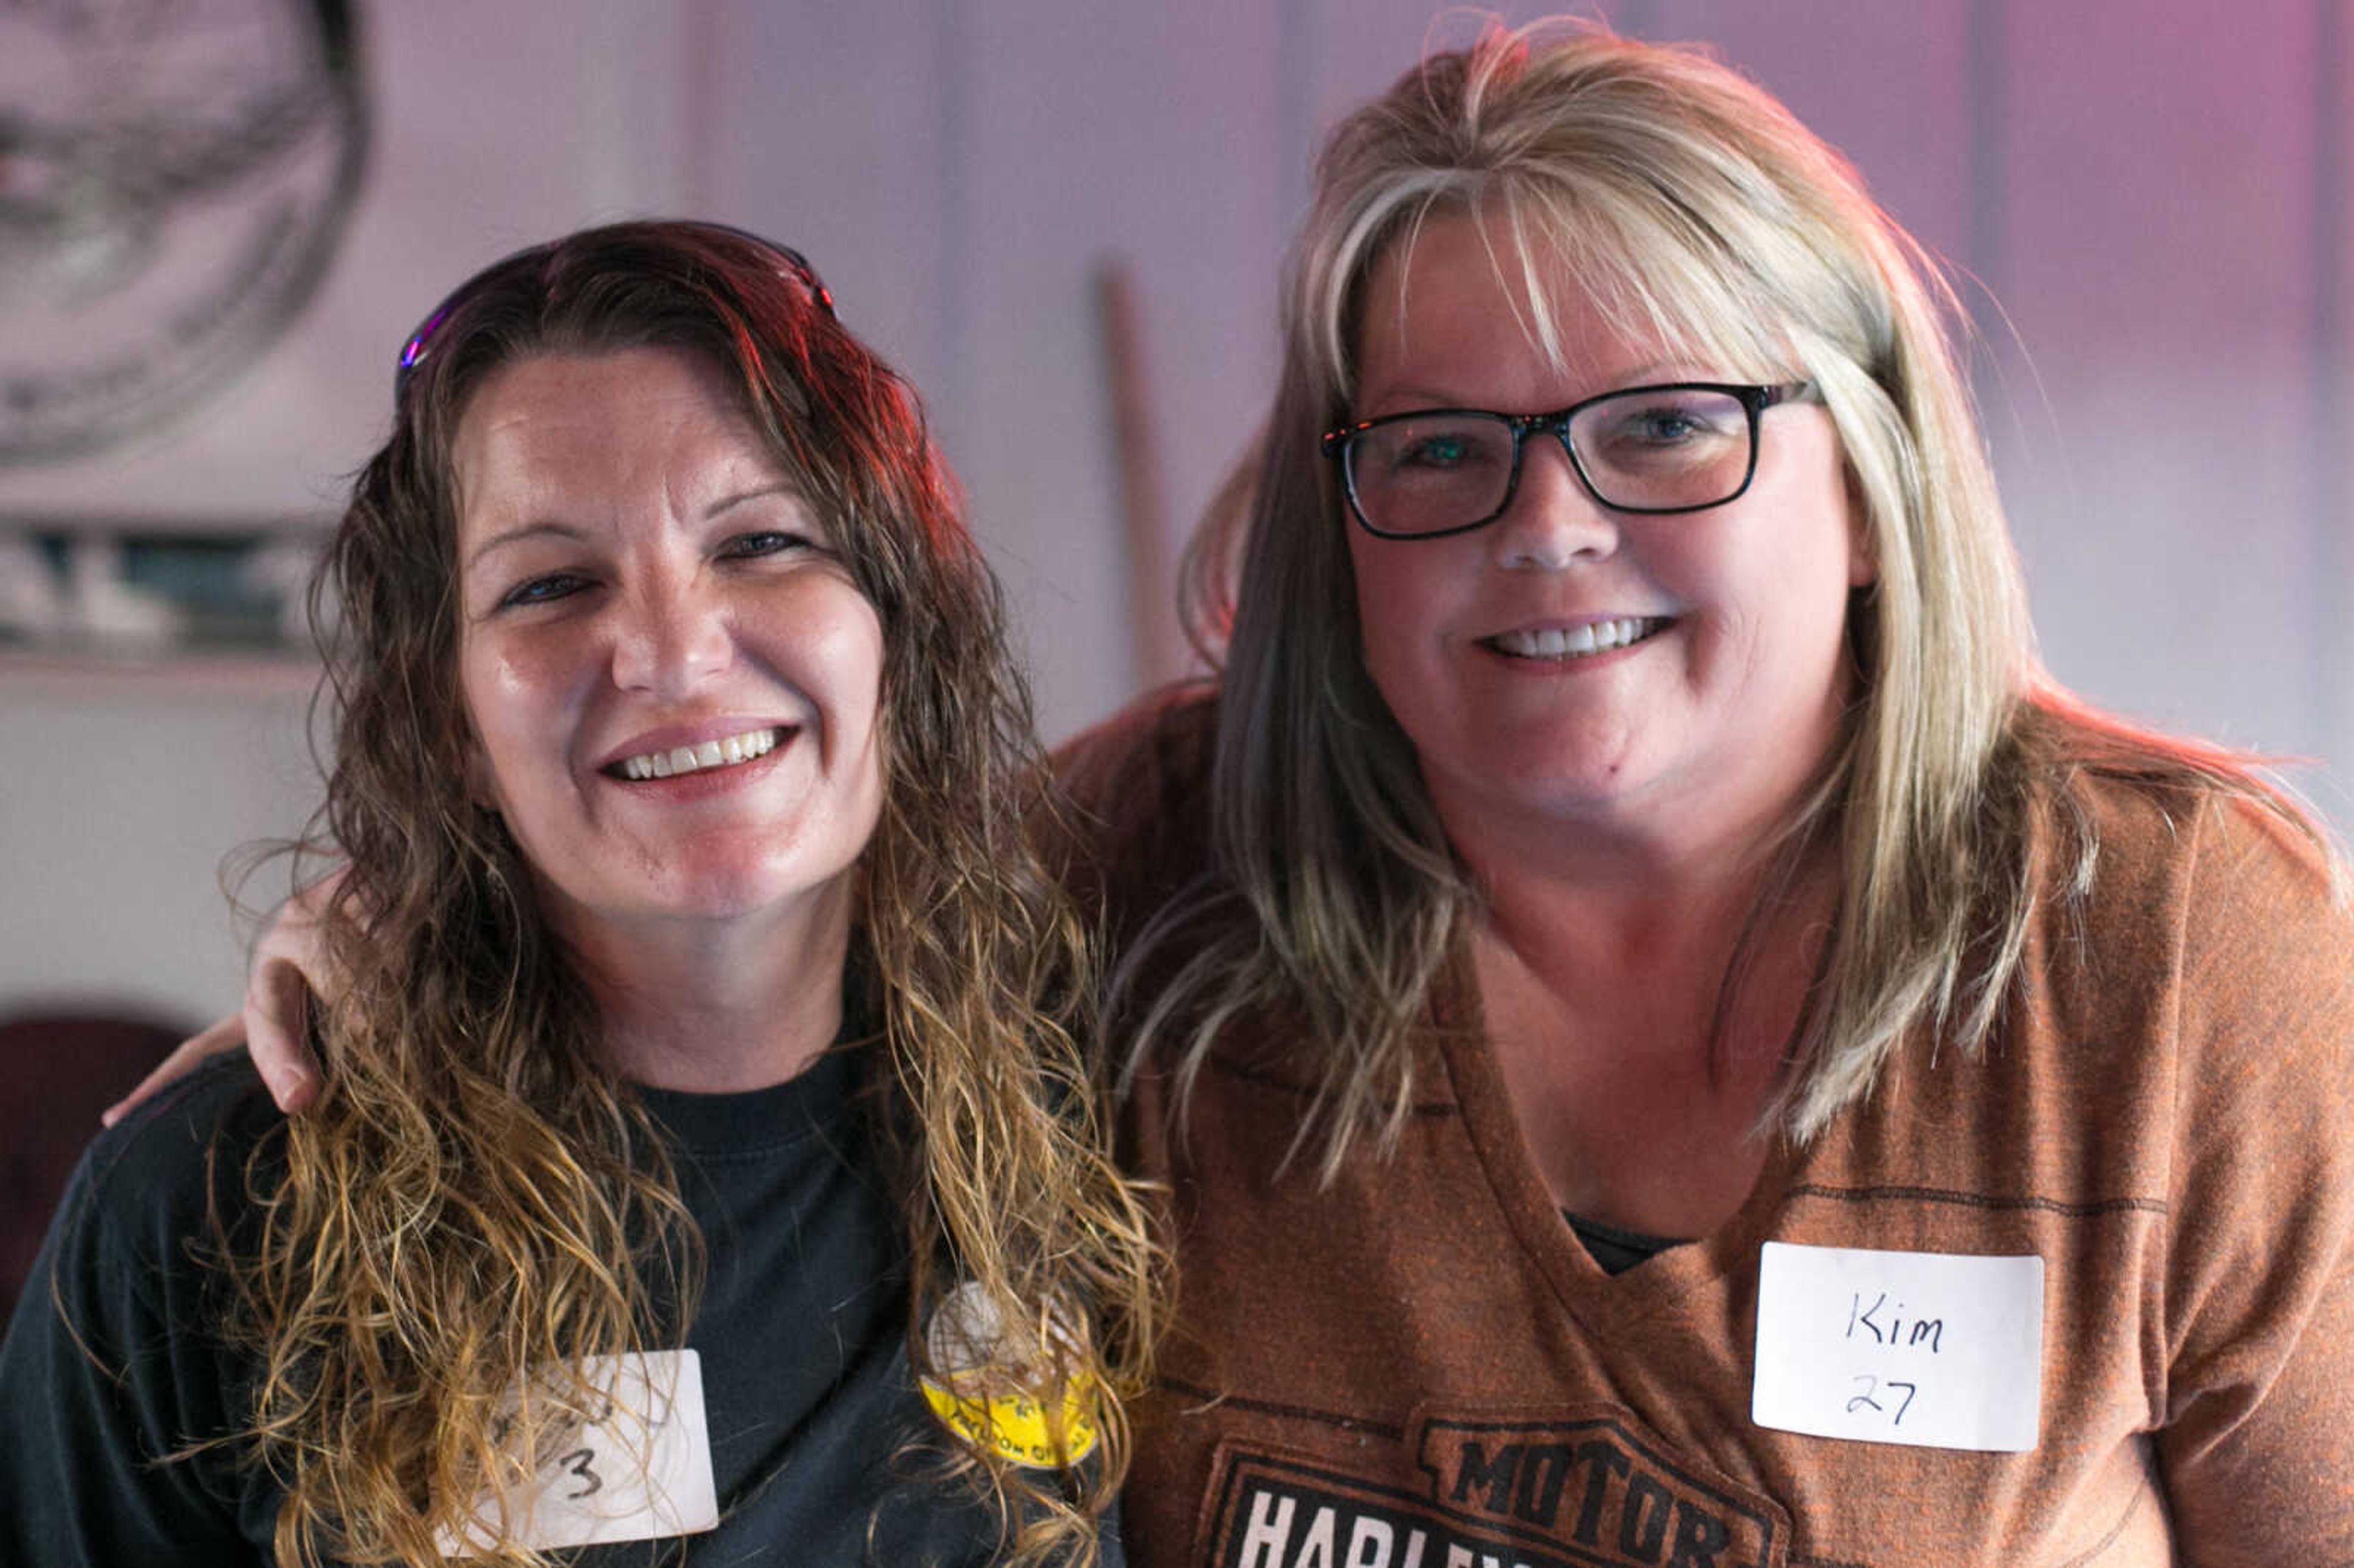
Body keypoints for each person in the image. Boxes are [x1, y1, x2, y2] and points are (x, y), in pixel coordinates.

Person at [116, 20, 2354, 1566]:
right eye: (1441, 448)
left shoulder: (2180, 965)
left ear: (1863, 483)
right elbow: (724, 878)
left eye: (1666, 426)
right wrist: (408, 925)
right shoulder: (1154, 867)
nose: (1546, 528)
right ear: (1340, 516)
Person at [0, 221, 1159, 1567]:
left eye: (764, 541)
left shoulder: (1096, 1089)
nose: (672, 650)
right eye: (552, 584)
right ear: (448, 726)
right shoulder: (216, 1202)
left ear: (899, 629)